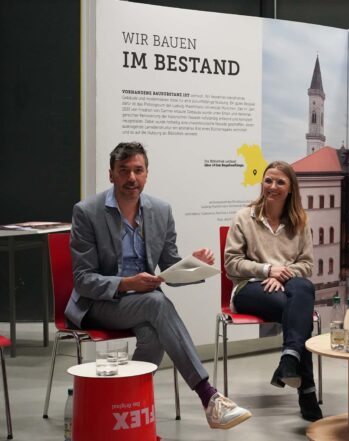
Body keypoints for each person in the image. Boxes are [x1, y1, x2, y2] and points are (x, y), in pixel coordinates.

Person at [67, 142, 251, 430]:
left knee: (153, 334)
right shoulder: (87, 212)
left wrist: (193, 265)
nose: (132, 178)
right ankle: (209, 397)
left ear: (147, 174)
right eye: (124, 171)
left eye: (138, 171)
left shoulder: (161, 211)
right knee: (157, 303)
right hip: (99, 303)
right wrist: (128, 283)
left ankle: (119, 408)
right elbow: (83, 279)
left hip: (142, 303)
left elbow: (169, 267)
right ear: (111, 174)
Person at [224, 161, 323, 422]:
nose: (273, 186)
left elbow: (307, 265)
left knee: (302, 288)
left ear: (291, 189)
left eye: (280, 182)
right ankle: (307, 393)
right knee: (299, 315)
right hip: (248, 289)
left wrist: (283, 275)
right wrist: (268, 270)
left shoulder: (300, 221)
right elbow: (232, 265)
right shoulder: (244, 217)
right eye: (268, 180)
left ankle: (290, 359)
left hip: (288, 287)